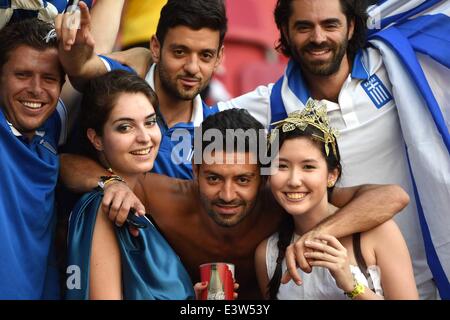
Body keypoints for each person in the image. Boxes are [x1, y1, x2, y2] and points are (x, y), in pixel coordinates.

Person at [214, 0, 448, 299]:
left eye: (330, 24)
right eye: (303, 26)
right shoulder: (268, 106)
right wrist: (141, 58)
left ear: (351, 26)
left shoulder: (395, 62)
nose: (318, 37)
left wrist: (317, 237)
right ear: (284, 30)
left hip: (434, 278)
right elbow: (179, 132)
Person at [59, 108, 409, 299]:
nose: (227, 195)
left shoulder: (285, 201)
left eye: (243, 179)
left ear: (264, 175)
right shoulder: (162, 196)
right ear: (195, 170)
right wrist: (112, 181)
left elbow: (392, 196)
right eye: (213, 178)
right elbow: (63, 164)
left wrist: (317, 236)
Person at [255, 100, 418, 299]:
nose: (294, 181)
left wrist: (352, 285)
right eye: (281, 166)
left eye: (308, 167)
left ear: (332, 175)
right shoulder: (267, 253)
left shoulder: (378, 233)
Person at [57, 0, 227, 179]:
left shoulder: (215, 135)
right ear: (155, 47)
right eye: (179, 52)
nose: (192, 67)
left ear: (219, 58)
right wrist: (74, 49)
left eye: (205, 56)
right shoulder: (118, 82)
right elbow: (81, 69)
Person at [65, 70, 194, 300]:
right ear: (96, 138)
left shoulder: (131, 201)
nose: (145, 137)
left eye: (150, 122)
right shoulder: (104, 205)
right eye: (125, 127)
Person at [0, 18, 67, 299]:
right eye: (23, 75)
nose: (37, 89)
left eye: (49, 79)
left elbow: (135, 61)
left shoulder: (52, 127)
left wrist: (109, 181)